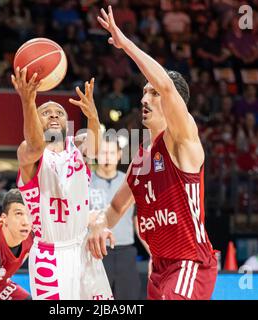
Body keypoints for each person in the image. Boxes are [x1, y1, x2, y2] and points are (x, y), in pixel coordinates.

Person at [88, 6, 218, 300]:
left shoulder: (183, 141)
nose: (145, 98)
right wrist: (98, 224)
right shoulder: (141, 160)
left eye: (153, 93)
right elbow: (116, 208)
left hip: (189, 263)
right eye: (144, 92)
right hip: (158, 270)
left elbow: (168, 87)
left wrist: (126, 44)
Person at [12, 66, 112, 300]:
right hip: (50, 255)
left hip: (83, 248)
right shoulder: (28, 153)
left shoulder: (77, 145)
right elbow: (36, 145)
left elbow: (96, 148)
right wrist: (28, 101)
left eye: (59, 112)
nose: (55, 115)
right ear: (35, 121)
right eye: (46, 113)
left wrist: (93, 115)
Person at [89, 138, 143, 300]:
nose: (107, 157)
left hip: (125, 253)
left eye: (111, 153)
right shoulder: (85, 181)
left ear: (119, 155)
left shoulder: (129, 183)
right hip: (95, 252)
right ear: (97, 155)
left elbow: (138, 221)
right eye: (103, 152)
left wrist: (154, 253)